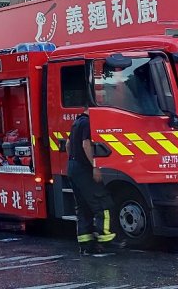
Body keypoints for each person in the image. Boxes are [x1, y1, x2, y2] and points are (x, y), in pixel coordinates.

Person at [67, 105, 121, 256]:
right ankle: (106, 240)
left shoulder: (76, 122)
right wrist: (94, 166)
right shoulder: (88, 122)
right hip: (84, 169)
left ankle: (86, 244)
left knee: (83, 207)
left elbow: (68, 145)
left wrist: (73, 162)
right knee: (103, 204)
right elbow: (86, 144)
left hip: (73, 167)